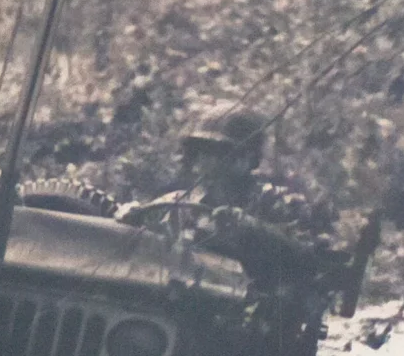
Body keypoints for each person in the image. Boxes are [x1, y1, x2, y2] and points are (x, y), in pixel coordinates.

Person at [119, 108, 335, 291]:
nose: (210, 161)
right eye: (203, 151)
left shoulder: (275, 201)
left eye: (223, 152)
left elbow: (311, 259)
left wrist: (252, 229)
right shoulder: (176, 204)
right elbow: (141, 245)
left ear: (249, 158)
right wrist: (131, 219)